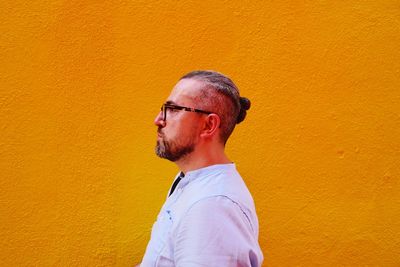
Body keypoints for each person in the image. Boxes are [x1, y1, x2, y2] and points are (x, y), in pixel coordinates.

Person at [137, 70, 263, 266]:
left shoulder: (212, 206)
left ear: (209, 125)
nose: (159, 119)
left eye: (174, 109)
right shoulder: (192, 181)